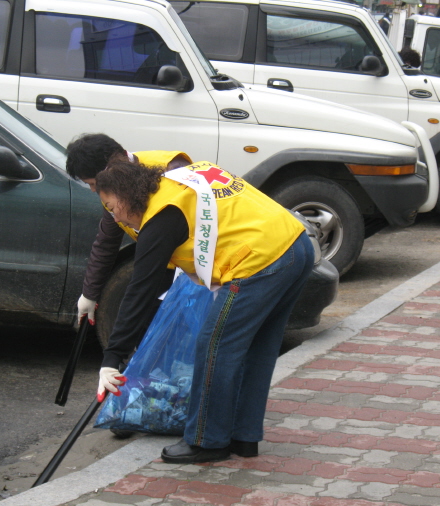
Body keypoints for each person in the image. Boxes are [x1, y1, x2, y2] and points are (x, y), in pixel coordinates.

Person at [94, 158, 315, 464]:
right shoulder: (173, 183)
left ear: (127, 194)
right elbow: (155, 279)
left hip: (260, 261)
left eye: (111, 206)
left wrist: (112, 357)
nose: (114, 216)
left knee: (215, 347)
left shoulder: (162, 216)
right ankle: (243, 437)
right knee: (257, 349)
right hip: (294, 243)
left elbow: (140, 289)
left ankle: (207, 442)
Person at [65, 133, 192, 328]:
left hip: (198, 267)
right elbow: (106, 242)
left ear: (109, 172)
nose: (93, 190)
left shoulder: (172, 170)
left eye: (92, 184)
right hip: (164, 265)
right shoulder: (114, 189)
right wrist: (89, 294)